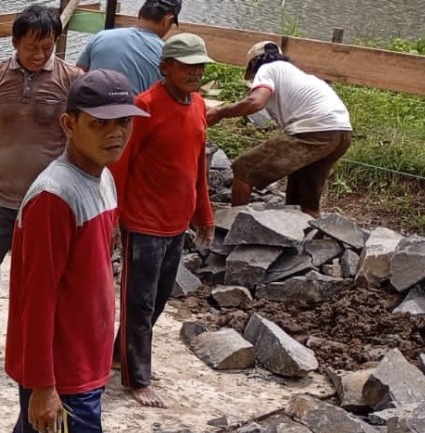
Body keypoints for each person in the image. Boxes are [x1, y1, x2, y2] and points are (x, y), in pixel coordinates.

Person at [4, 69, 147, 433]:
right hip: (62, 373)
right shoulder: (53, 197)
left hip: (82, 356)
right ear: (70, 125)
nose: (116, 135)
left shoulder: (102, 177)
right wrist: (44, 385)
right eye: (102, 124)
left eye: (123, 124)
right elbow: (33, 301)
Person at [0, 5, 83, 372]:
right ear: (15, 42)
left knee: (46, 279)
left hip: (48, 201)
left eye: (48, 47)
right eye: (32, 47)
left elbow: (82, 140)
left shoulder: (72, 79)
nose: (40, 55)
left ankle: (41, 349)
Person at [109, 33, 215, 408]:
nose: (195, 73)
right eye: (187, 65)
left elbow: (197, 166)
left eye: (199, 66)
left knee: (158, 300)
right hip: (143, 223)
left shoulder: (198, 105)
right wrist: (113, 221)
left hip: (177, 223)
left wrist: (204, 214)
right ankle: (137, 378)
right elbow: (120, 167)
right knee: (138, 300)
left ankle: (121, 353)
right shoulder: (144, 107)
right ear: (165, 67)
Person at [207, 41, 353, 218]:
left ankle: (232, 225)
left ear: (254, 64)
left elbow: (255, 102)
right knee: (303, 201)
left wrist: (221, 112)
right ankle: (310, 238)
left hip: (315, 130)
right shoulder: (297, 75)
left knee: (244, 169)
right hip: (341, 133)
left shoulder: (267, 69)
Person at [76, 0, 181, 95]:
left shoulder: (101, 36)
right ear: (167, 20)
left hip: (91, 110)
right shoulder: (165, 53)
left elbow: (79, 73)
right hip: (134, 114)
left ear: (141, 13)